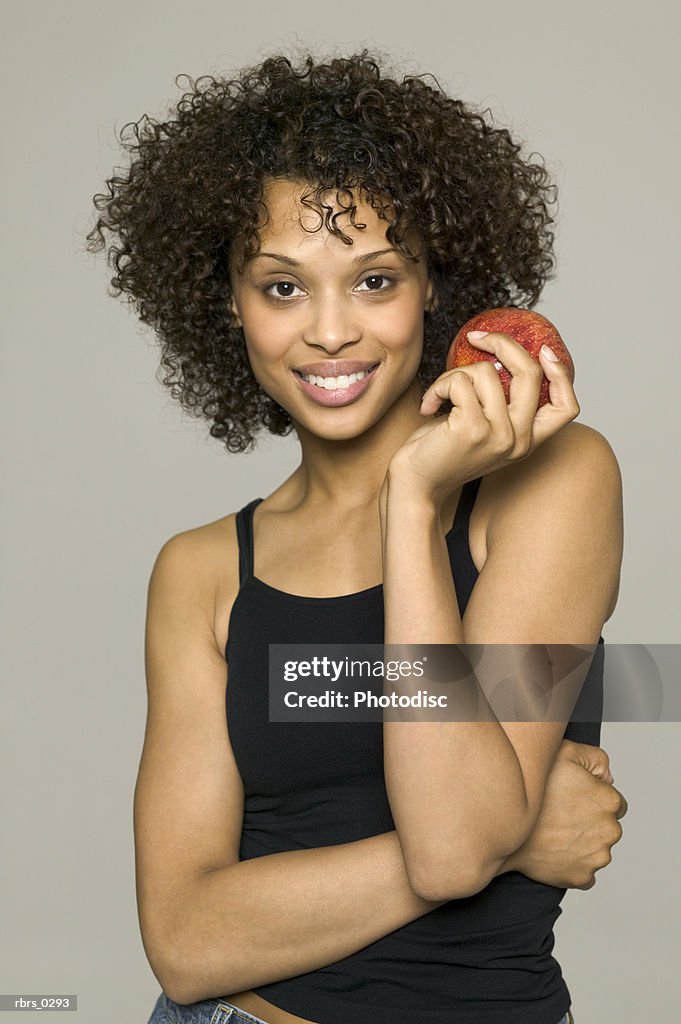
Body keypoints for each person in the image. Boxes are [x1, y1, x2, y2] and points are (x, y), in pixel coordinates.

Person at [87, 51, 627, 1024]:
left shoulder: (554, 480)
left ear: (434, 285)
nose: (330, 330)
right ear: (229, 304)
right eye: (283, 287)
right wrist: (520, 836)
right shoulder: (202, 574)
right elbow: (185, 939)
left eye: (374, 278)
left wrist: (412, 503)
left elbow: (457, 837)